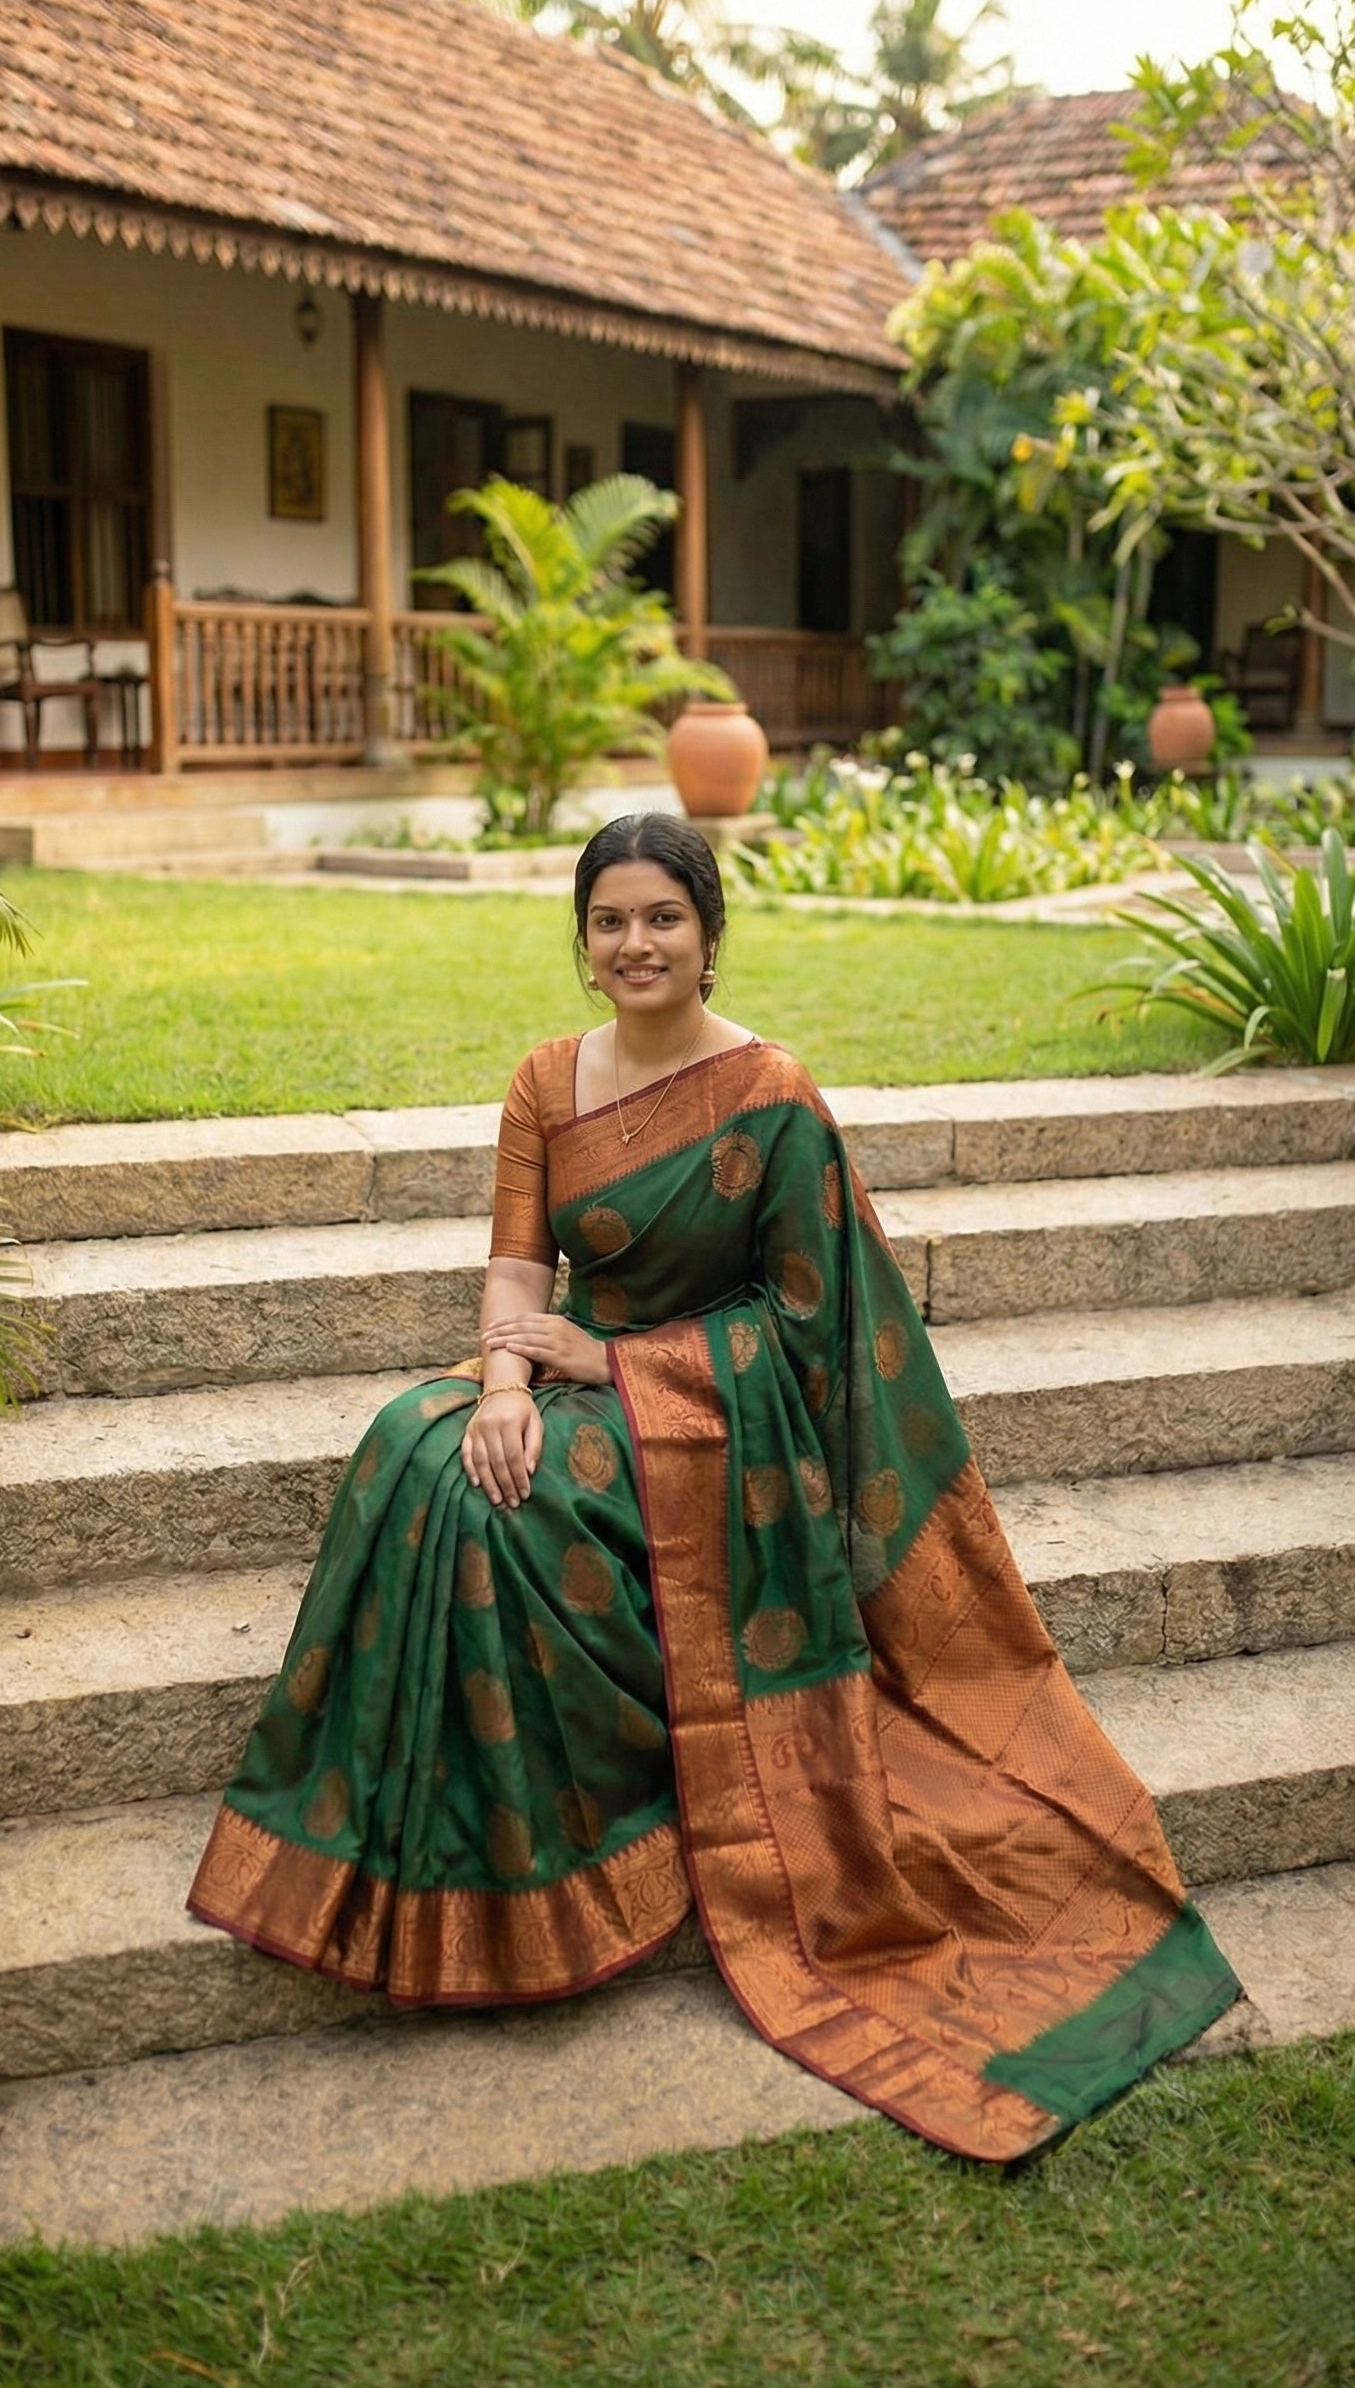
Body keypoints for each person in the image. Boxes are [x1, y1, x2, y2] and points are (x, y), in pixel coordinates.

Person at [188, 812, 1238, 2160]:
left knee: (505, 1517)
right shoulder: (545, 1082)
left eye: (663, 919)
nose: (637, 944)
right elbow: (518, 1270)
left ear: (708, 933)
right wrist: (507, 1384)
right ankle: (447, 1866)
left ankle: (581, 1846)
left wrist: (622, 1367)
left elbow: (807, 1329)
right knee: (419, 1445)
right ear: (582, 940)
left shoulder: (770, 1095)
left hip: (724, 1430)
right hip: (568, 1380)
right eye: (611, 921)